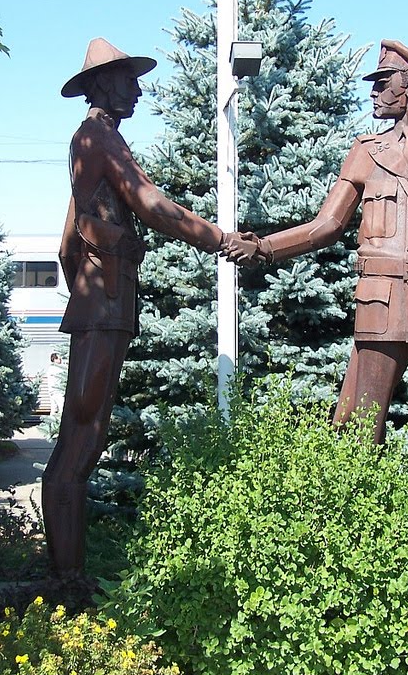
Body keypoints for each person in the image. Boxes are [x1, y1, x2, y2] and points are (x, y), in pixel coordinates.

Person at [231, 40, 408, 579]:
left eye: (382, 81)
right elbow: (324, 226)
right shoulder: (366, 152)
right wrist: (264, 247)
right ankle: (356, 567)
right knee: (359, 444)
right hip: (380, 309)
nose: (374, 92)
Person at [45, 38, 257, 575]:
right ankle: (66, 583)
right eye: (127, 80)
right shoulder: (97, 137)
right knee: (83, 431)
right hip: (104, 302)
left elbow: (69, 234)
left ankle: (68, 575)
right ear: (102, 85)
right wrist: (217, 238)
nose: (137, 89)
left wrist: (83, 275)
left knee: (86, 429)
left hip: (104, 296)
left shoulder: (96, 139)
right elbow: (151, 203)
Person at [46, 352, 65, 418]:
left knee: (53, 409)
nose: (60, 360)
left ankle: (51, 424)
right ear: (54, 359)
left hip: (52, 391)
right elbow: (64, 373)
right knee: (62, 407)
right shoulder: (55, 368)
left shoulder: (50, 368)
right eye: (59, 359)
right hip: (57, 391)